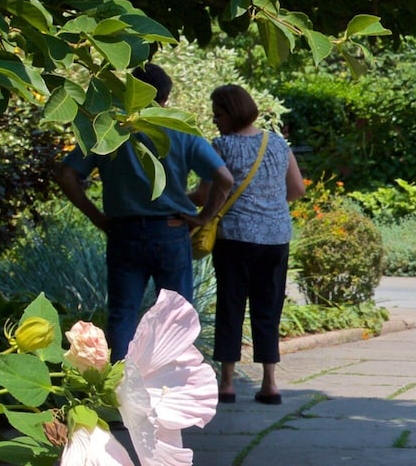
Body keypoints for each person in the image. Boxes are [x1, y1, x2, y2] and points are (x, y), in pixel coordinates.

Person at [55, 64, 235, 361]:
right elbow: (224, 179)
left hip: (123, 232)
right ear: (165, 98)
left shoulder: (109, 130)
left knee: (123, 314)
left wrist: (95, 216)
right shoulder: (180, 131)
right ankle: (171, 381)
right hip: (172, 230)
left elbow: (65, 175)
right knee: (175, 316)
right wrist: (204, 218)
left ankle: (118, 386)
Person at [202, 84, 305, 405]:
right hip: (275, 238)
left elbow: (206, 193)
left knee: (230, 306)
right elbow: (297, 189)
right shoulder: (277, 143)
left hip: (234, 238)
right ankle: (270, 383)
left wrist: (178, 200)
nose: (215, 120)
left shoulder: (221, 146)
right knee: (268, 308)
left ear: (231, 114)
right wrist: (269, 203)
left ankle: (228, 383)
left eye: (218, 114)